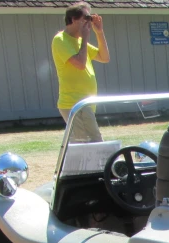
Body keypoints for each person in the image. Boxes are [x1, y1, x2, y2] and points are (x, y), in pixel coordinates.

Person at [52, 2, 110, 142]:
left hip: (86, 103)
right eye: (86, 18)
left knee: (88, 145)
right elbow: (80, 64)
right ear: (73, 19)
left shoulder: (79, 41)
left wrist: (99, 32)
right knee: (92, 143)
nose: (89, 22)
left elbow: (105, 57)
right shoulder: (60, 40)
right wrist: (85, 38)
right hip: (74, 102)